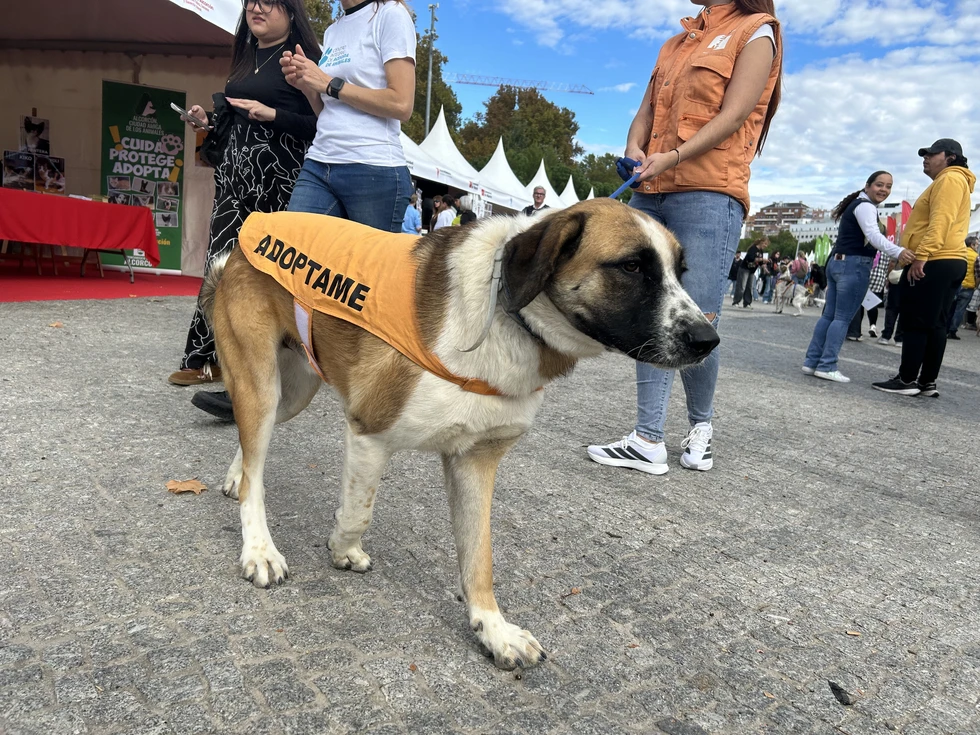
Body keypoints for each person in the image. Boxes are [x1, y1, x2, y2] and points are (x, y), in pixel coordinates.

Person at [588, 0, 783, 475]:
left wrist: (671, 156)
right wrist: (635, 149)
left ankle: (695, 428)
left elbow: (735, 115)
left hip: (709, 192)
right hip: (651, 187)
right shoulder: (676, 43)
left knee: (696, 318)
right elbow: (645, 113)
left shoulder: (757, 32)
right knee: (652, 309)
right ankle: (650, 438)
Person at [167, 0, 319, 397]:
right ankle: (204, 358)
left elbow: (323, 125)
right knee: (219, 265)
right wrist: (209, 120)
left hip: (279, 181)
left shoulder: (302, 58)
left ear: (290, 12)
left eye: (269, 3)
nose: (257, 9)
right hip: (234, 181)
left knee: (264, 275)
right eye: (252, 2)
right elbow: (237, 113)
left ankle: (269, 370)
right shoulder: (247, 55)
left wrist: (274, 115)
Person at [279, 0, 416, 231]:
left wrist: (328, 83)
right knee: (294, 247)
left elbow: (402, 104)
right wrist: (307, 86)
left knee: (366, 266)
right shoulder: (333, 30)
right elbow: (329, 112)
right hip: (320, 161)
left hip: (373, 167)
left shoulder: (391, 14)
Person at [874, 139, 975, 396]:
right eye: (924, 155)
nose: (925, 158)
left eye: (932, 154)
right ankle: (926, 381)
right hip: (948, 259)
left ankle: (907, 379)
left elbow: (940, 220)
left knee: (917, 321)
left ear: (950, 157)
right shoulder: (955, 180)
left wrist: (922, 256)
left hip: (936, 259)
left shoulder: (949, 179)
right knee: (935, 323)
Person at [802, 172, 914, 383]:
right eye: (879, 185)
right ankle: (827, 365)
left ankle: (812, 361)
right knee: (842, 318)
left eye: (888, 186)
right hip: (853, 265)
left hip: (837, 262)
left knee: (829, 316)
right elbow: (873, 236)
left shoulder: (857, 203)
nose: (884, 190)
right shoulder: (866, 206)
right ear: (868, 186)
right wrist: (898, 252)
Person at [846, 252, 890, 341]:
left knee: (860, 302)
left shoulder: (871, 247)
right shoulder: (885, 251)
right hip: (879, 277)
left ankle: (857, 328)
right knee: (873, 303)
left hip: (868, 274)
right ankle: (873, 325)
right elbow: (887, 266)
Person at [946, 235, 978, 339]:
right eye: (977, 244)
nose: (978, 246)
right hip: (968, 287)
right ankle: (953, 331)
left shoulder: (959, 253)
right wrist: (975, 286)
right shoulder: (977, 257)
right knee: (960, 310)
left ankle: (944, 328)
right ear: (972, 244)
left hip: (956, 284)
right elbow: (978, 274)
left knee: (950, 307)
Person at [733, 236, 767, 308]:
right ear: (761, 243)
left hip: (752, 270)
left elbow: (760, 262)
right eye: (765, 244)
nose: (765, 246)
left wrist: (764, 266)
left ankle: (747, 302)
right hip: (745, 269)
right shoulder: (753, 248)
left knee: (749, 287)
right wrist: (761, 259)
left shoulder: (761, 251)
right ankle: (736, 301)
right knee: (742, 286)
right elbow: (751, 258)